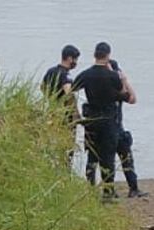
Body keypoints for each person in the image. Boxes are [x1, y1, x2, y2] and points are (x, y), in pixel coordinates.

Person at [72, 42, 131, 200]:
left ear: (94, 55)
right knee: (108, 156)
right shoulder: (111, 76)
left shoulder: (86, 74)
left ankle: (90, 189)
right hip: (108, 119)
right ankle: (108, 191)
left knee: (92, 155)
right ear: (108, 55)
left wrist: (75, 111)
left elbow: (71, 89)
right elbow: (123, 93)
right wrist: (123, 79)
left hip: (91, 118)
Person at [85, 59, 148, 198]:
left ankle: (132, 187)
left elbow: (132, 99)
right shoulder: (105, 87)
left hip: (116, 128)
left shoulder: (116, 87)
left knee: (125, 156)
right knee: (100, 159)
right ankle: (102, 190)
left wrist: (124, 80)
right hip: (105, 128)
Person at [41, 45, 82, 150]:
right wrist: (76, 114)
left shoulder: (51, 71)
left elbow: (42, 87)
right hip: (65, 116)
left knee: (53, 143)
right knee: (67, 146)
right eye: (75, 59)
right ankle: (66, 165)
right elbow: (68, 93)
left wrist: (51, 98)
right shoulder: (66, 75)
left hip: (52, 112)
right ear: (69, 58)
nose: (76, 63)